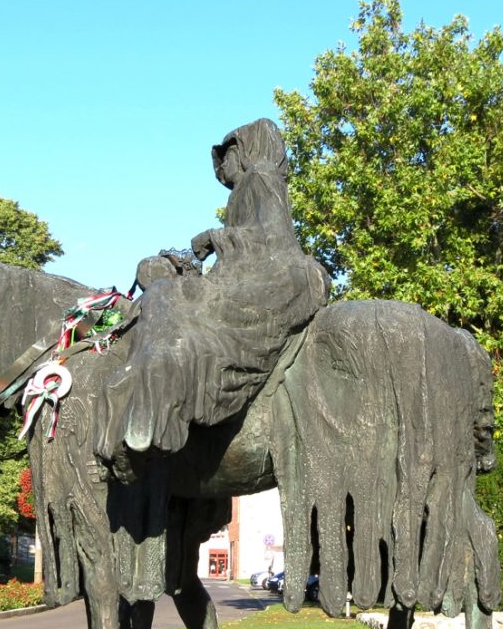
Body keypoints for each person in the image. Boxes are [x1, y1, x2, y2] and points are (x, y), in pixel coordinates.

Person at [96, 118, 329, 468]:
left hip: (279, 276)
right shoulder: (247, 188)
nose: (224, 167)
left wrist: (212, 238)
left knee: (181, 304)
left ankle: (165, 407)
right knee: (176, 301)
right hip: (262, 272)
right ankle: (154, 405)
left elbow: (273, 242)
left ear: (247, 152)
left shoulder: (261, 177)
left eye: (230, 156)